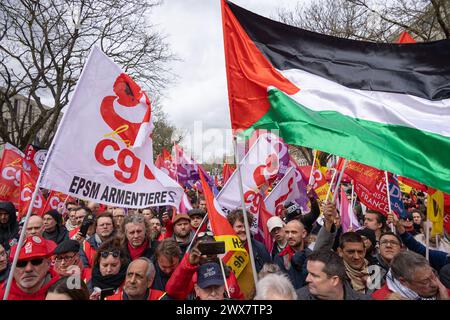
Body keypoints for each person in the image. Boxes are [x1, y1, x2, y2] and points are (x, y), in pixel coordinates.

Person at [165, 232, 244, 300]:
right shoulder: (189, 275)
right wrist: (188, 263)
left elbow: (239, 297)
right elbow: (173, 292)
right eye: (203, 250)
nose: (207, 254)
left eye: (211, 249)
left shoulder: (227, 274)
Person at [296, 250, 372, 300]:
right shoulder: (295, 297)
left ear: (334, 280)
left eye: (314, 275)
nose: (307, 279)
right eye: (308, 273)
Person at [372, 251, 450, 300]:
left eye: (433, 275)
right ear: (403, 281)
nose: (435, 284)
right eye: (425, 281)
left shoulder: (444, 292)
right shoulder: (379, 298)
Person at [0, 236, 59, 300]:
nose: (28, 269)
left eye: (36, 261)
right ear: (12, 267)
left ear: (48, 263)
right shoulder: (2, 293)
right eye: (21, 263)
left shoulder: (63, 291)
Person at [227, 209, 271, 273]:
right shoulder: (226, 249)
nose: (243, 229)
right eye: (239, 226)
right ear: (231, 228)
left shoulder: (260, 248)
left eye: (246, 226)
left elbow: (270, 274)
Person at [275, 219, 310, 289]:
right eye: (287, 232)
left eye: (294, 232)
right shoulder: (280, 258)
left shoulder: (312, 254)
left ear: (304, 234)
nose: (289, 236)